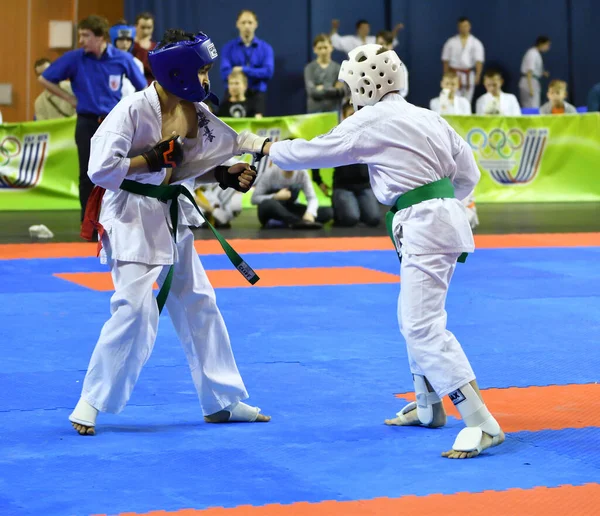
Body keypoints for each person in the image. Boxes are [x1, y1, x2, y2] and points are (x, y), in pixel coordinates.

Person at [249, 43, 504, 458]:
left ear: (365, 85)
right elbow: (469, 173)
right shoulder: (428, 116)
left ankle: (480, 422)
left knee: (422, 326)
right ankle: (427, 406)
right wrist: (440, 203)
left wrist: (262, 146)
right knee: (413, 317)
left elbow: (310, 152)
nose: (348, 95)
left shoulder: (368, 121)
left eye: (350, 87)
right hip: (436, 219)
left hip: (424, 224)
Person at [69, 29, 271, 436]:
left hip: (171, 212)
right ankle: (90, 399)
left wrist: (224, 174)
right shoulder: (130, 111)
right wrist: (146, 159)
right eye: (201, 70)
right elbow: (99, 169)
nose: (206, 80)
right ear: (177, 70)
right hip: (130, 216)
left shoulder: (195, 109)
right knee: (135, 309)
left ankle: (222, 401)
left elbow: (201, 158)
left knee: (200, 302)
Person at [38, 15, 146, 221]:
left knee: (117, 171)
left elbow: (143, 88)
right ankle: (88, 222)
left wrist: (131, 110)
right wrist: (69, 98)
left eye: (85, 36)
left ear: (100, 37)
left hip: (114, 123)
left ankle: (116, 219)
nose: (81, 41)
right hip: (86, 122)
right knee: (88, 174)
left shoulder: (122, 59)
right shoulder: (75, 58)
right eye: (80, 36)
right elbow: (44, 78)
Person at [312, 102, 380, 227]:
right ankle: (340, 209)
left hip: (364, 187)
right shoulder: (336, 135)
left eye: (357, 114)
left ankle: (357, 209)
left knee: (374, 219)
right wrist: (319, 181)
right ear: (343, 116)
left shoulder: (369, 135)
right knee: (350, 219)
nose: (354, 117)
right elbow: (317, 154)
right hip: (343, 187)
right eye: (351, 114)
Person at [220, 10, 274, 117]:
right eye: (243, 22)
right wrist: (254, 73)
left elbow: (268, 72)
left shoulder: (266, 48)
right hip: (234, 94)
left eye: (250, 22)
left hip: (257, 93)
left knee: (256, 128)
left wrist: (243, 70)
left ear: (256, 24)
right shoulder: (228, 48)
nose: (247, 26)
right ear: (237, 24)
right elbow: (225, 73)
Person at [251, 163, 333, 229]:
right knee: (268, 204)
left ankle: (295, 222)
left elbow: (312, 198)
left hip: (290, 208)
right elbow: (254, 199)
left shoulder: (302, 173)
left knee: (328, 212)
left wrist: (310, 213)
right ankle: (298, 222)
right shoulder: (271, 172)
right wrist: (275, 196)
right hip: (272, 211)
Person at [441, 17, 485, 103]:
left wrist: (478, 75)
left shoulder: (476, 42)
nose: (464, 28)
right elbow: (445, 60)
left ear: (469, 27)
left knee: (467, 101)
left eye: (466, 26)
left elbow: (479, 61)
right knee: (452, 98)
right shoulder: (451, 42)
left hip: (469, 74)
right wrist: (446, 75)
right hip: (454, 74)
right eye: (461, 26)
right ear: (458, 27)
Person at [304, 34, 345, 114]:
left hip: (333, 112)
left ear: (331, 48)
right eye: (319, 48)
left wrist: (322, 87)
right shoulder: (309, 68)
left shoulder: (338, 68)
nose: (323, 51)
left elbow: (342, 91)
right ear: (314, 49)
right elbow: (312, 92)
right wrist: (332, 88)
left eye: (325, 47)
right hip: (314, 113)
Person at [109, 21, 145, 97]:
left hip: (130, 105)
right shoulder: (106, 63)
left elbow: (142, 90)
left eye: (128, 40)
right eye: (121, 39)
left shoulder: (137, 63)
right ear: (114, 41)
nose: (125, 43)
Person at [330, 19, 404, 54]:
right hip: (356, 69)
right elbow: (335, 40)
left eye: (367, 27)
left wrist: (396, 30)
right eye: (363, 28)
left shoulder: (374, 39)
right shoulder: (350, 40)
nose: (366, 30)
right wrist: (334, 28)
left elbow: (389, 40)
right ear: (358, 29)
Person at [519, 36, 551, 108]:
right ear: (541, 44)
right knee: (532, 107)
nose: (548, 48)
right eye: (547, 45)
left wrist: (542, 72)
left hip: (532, 81)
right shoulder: (532, 53)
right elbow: (529, 71)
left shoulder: (536, 53)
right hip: (529, 82)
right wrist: (530, 88)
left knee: (534, 105)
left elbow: (534, 70)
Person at [376, 30, 408, 98]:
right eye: (378, 44)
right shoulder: (368, 64)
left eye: (382, 44)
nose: (380, 47)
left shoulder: (400, 66)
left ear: (390, 45)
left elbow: (403, 92)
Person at [132, 12, 157, 84]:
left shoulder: (156, 47)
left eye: (149, 28)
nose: (146, 31)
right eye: (142, 27)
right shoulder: (130, 47)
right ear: (135, 26)